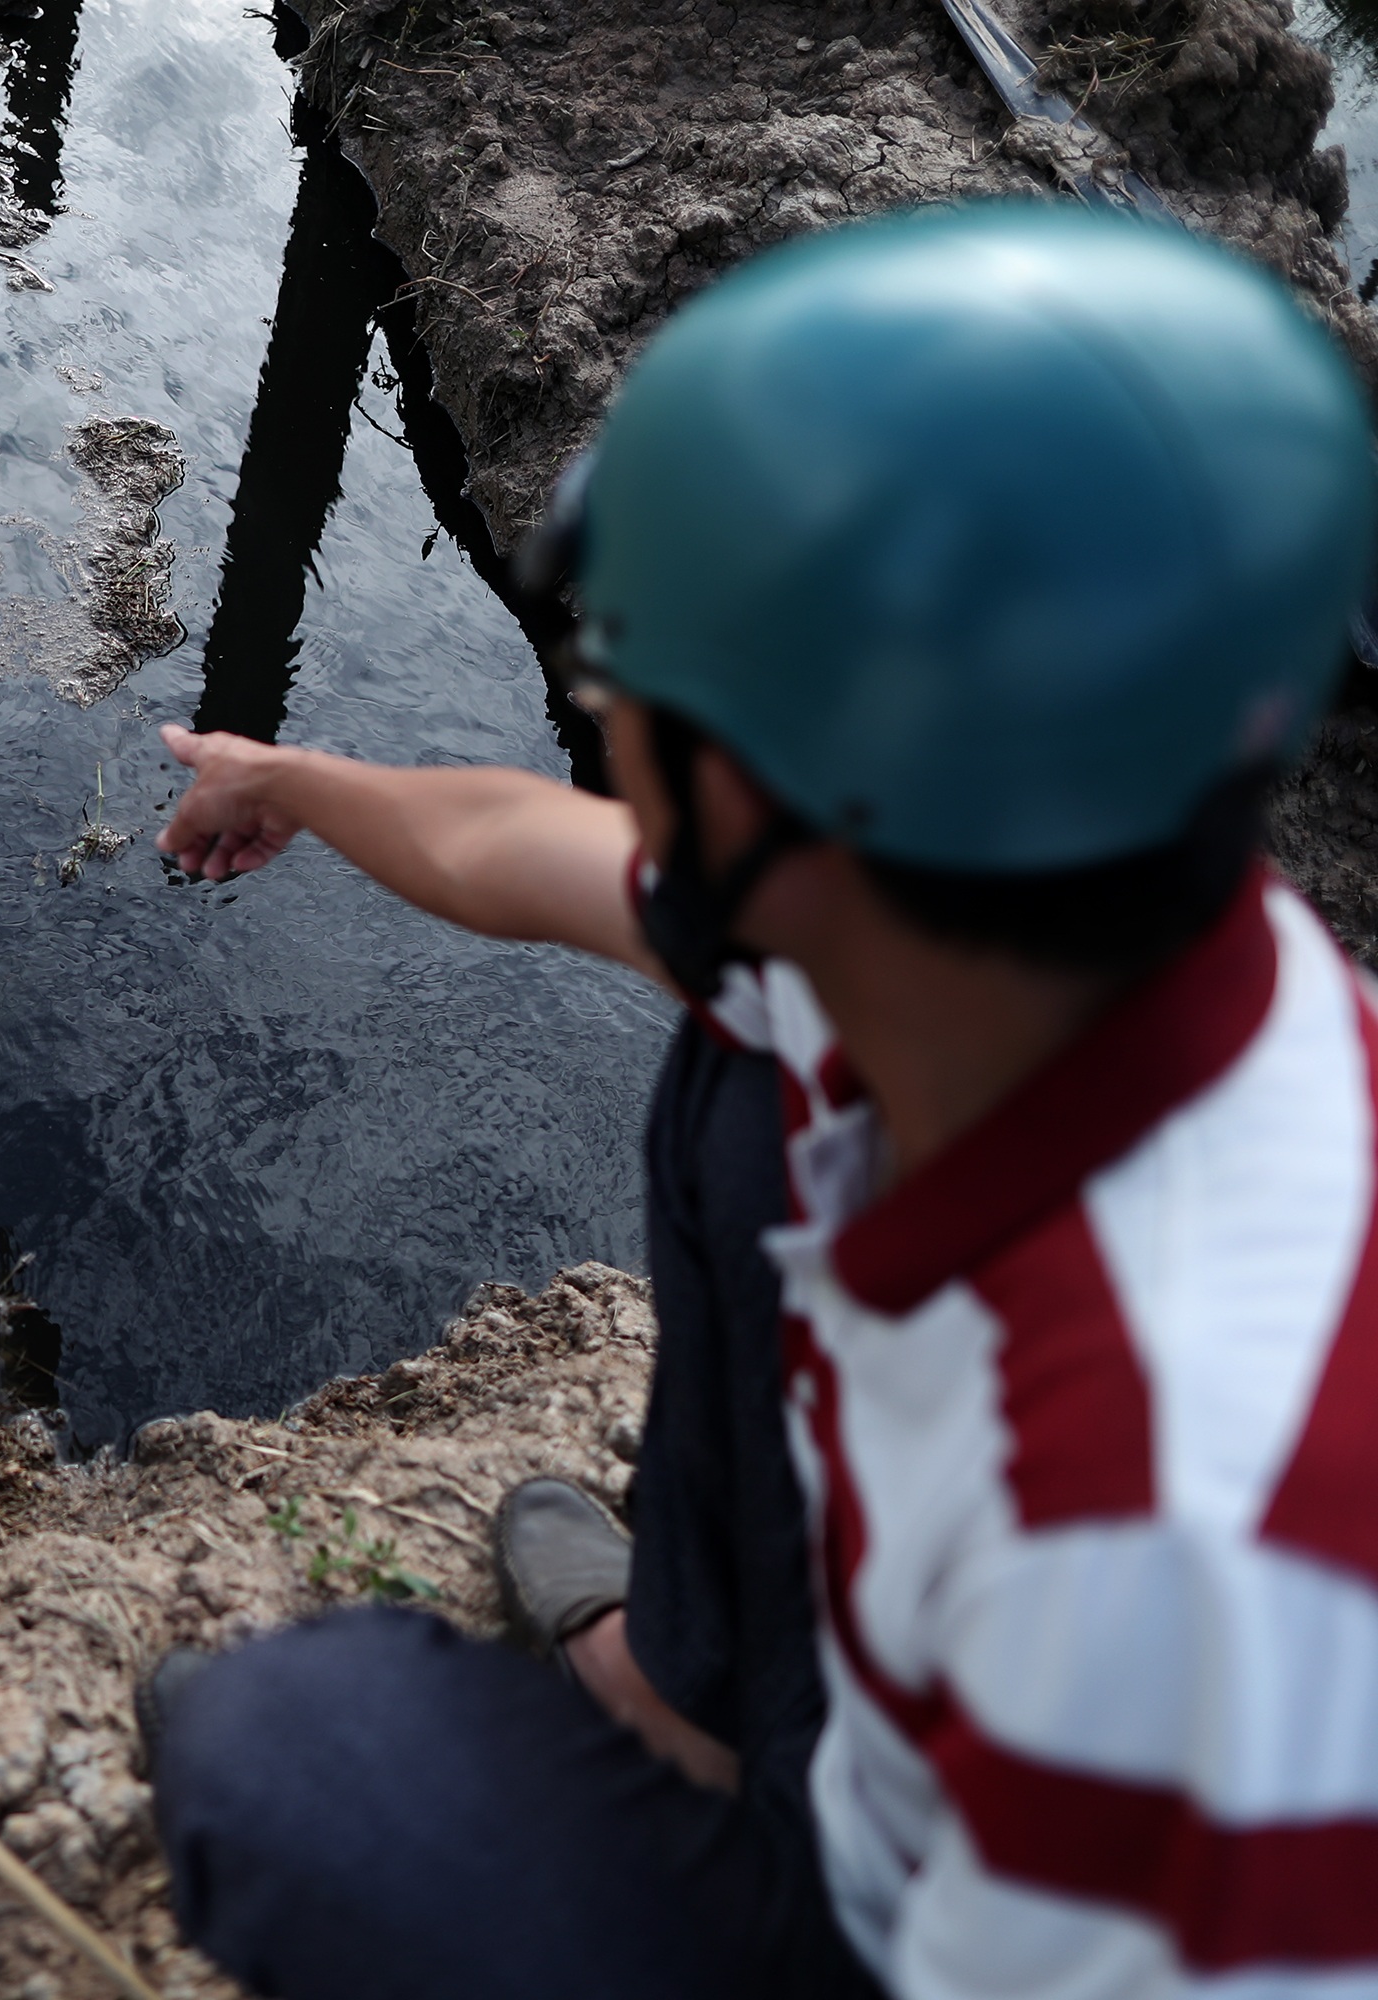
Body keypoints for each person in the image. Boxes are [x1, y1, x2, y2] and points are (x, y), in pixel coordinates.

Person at [139, 201, 1378, 1998]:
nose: (603, 695)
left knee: (285, 1761)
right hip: (918, 1696)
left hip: (933, 1925)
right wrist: (295, 778)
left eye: (624, 658)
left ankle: (754, 1779)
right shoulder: (1012, 904)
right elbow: (524, 842)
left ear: (769, 801)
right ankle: (691, 1676)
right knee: (751, 1087)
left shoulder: (1169, 1564)